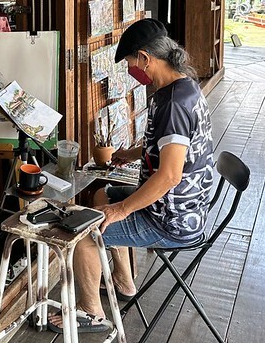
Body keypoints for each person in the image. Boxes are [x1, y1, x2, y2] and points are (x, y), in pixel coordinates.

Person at [49, 19, 215, 334]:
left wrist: (122, 209)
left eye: (129, 63)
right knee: (102, 196)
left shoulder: (173, 104)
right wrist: (136, 153)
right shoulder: (185, 86)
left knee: (83, 235)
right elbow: (177, 147)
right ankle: (124, 280)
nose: (131, 71)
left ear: (144, 58)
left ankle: (91, 313)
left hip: (173, 219)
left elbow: (169, 176)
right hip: (187, 208)